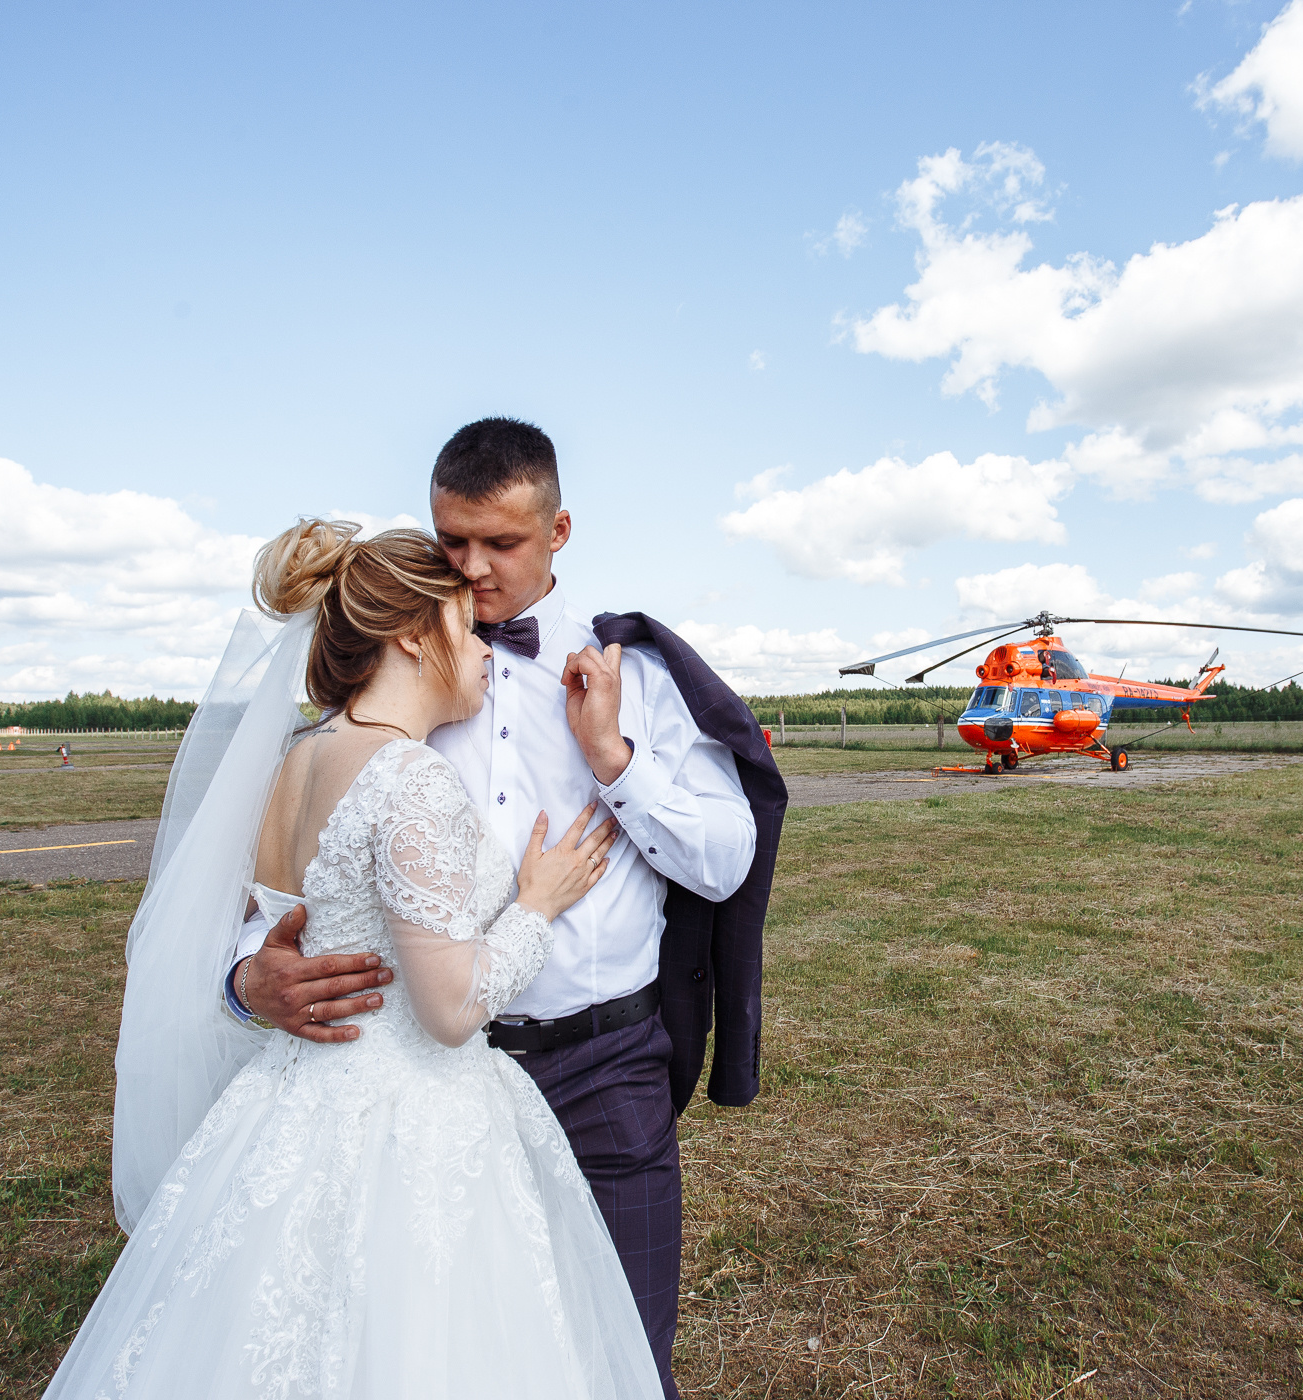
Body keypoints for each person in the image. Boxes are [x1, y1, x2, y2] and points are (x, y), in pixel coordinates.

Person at [229, 418, 783, 1399]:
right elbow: (292, 873)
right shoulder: (393, 677)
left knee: (621, 1360)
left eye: (503, 542)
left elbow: (726, 859)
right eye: (453, 541)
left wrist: (615, 757)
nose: (474, 570)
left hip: (604, 1069)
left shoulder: (638, 675)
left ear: (559, 528)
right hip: (424, 1087)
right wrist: (245, 976)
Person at [47, 523, 664, 1398]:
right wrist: (539, 903)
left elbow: (270, 929)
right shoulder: (407, 775)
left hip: (294, 1101)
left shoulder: (296, 764)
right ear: (415, 634)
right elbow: (449, 1013)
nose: (486, 651)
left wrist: (248, 980)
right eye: (468, 627)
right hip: (413, 1117)